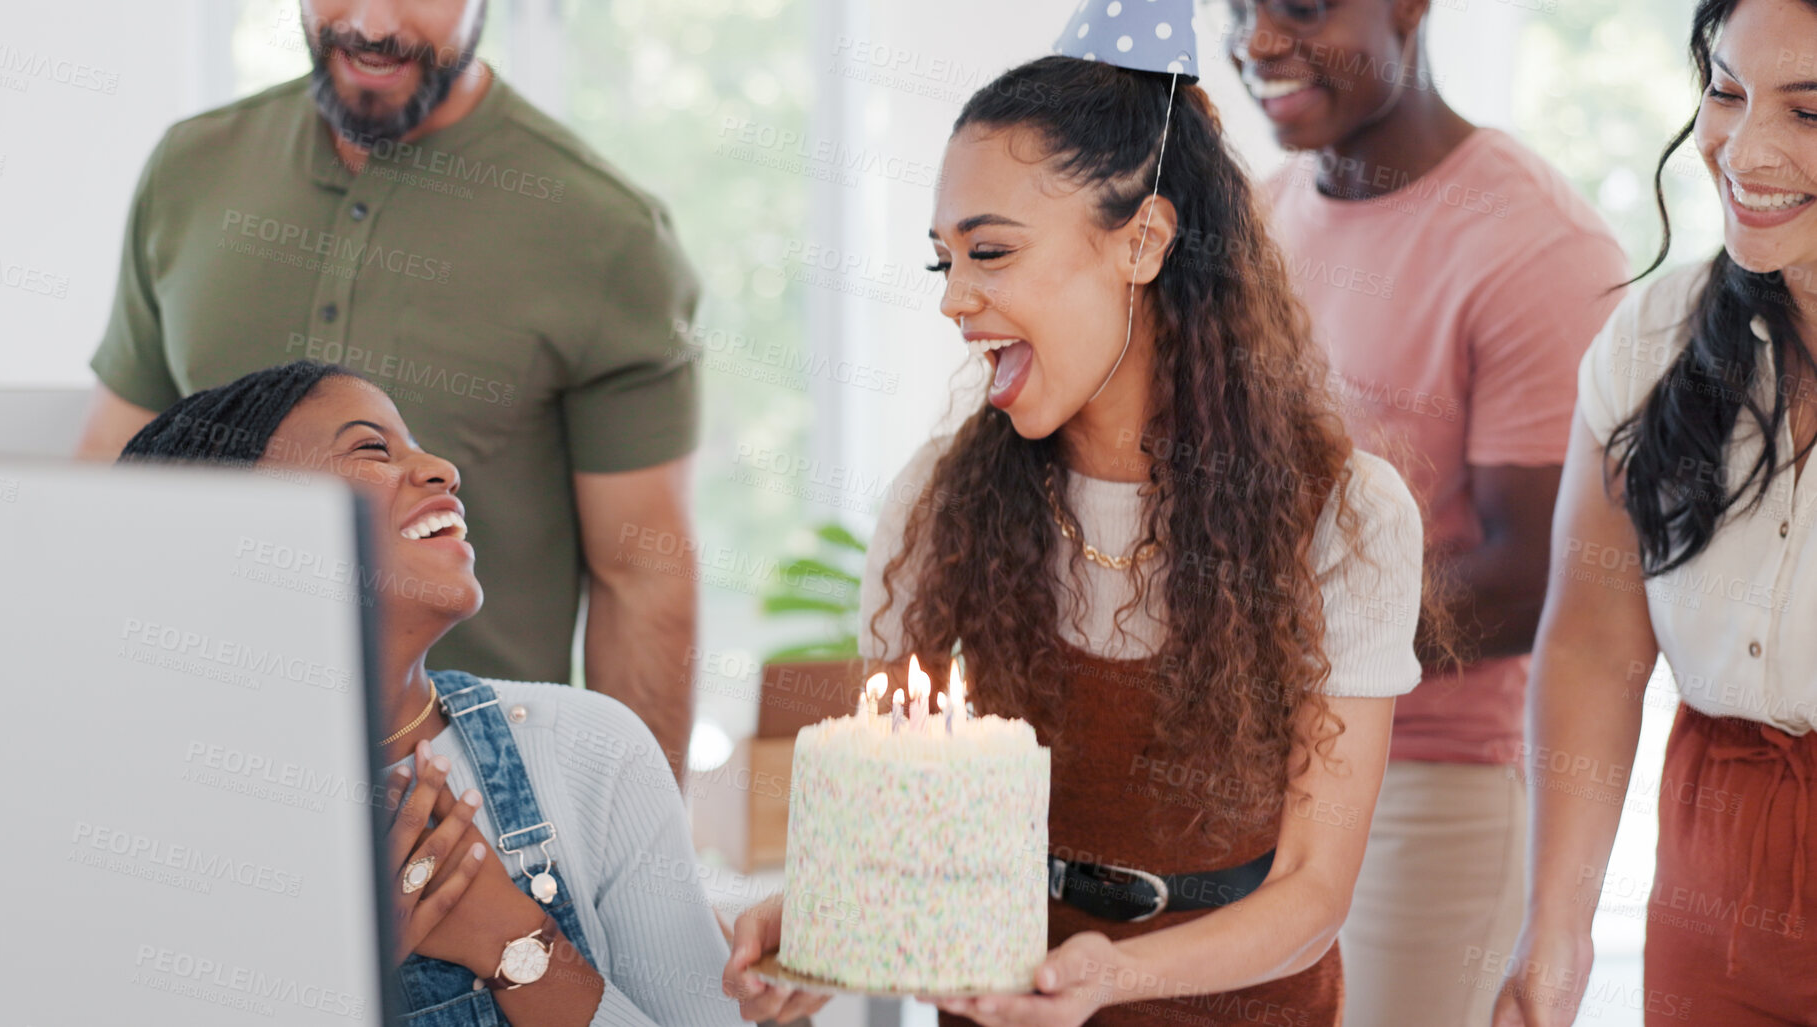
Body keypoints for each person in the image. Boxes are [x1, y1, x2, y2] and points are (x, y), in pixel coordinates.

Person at [724, 44, 1427, 1027]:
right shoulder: (936, 499)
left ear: (1142, 243)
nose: (953, 299)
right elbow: (898, 837)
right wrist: (823, 927)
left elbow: (1312, 894)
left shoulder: (1348, 515)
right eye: (945, 257)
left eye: (993, 250)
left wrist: (1112, 977)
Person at [78, 0, 701, 778]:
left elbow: (641, 576)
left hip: (485, 801)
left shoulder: (608, 233)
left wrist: (633, 859)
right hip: (211, 767)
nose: (372, 23)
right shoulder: (188, 169)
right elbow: (113, 493)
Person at [119, 360, 740, 1027]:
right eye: (372, 447)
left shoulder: (589, 747)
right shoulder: (156, 816)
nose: (442, 467)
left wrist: (509, 938)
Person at [1225, 1, 1629, 1021]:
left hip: (1432, 788)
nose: (1259, 39)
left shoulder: (1540, 245)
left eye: (1301, 6)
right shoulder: (1260, 215)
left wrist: (1261, 641)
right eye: (1236, 8)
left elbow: (1527, 573)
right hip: (1250, 768)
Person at [1494, 1, 1817, 1024]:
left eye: (1810, 113)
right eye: (1726, 89)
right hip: (1714, 876)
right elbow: (1594, 644)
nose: (1744, 146)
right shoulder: (1654, 339)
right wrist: (1557, 930)